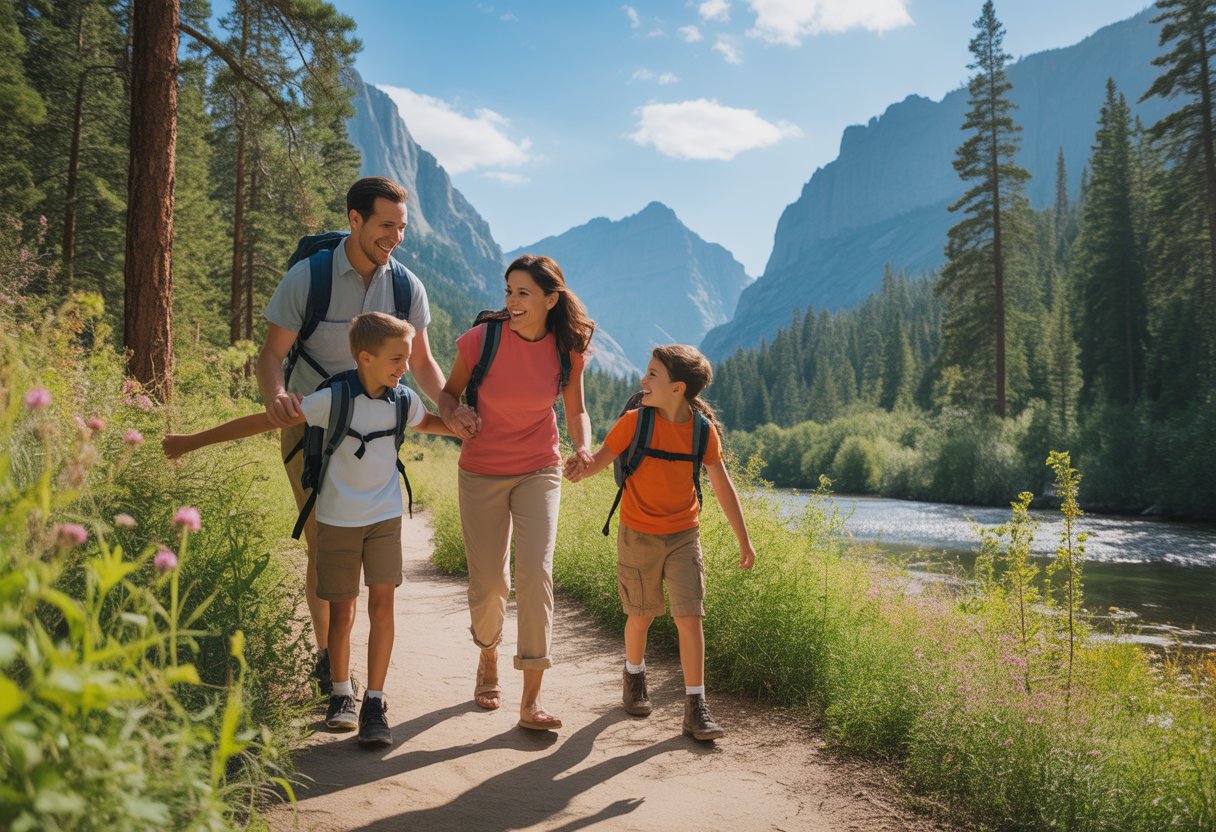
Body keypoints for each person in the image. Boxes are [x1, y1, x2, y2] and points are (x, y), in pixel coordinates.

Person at [256, 176, 446, 695]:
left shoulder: (406, 286)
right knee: (323, 536)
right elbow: (272, 355)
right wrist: (277, 397)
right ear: (355, 219)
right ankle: (327, 657)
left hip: (376, 429)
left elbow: (424, 364)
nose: (396, 237)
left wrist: (453, 408)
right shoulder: (310, 278)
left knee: (369, 536)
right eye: (387, 225)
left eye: (403, 227)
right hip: (310, 425)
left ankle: (344, 663)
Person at [565, 344, 757, 741]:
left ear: (678, 388)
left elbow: (723, 487)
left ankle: (696, 707)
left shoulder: (703, 433)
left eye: (653, 374)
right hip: (638, 533)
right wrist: (580, 466)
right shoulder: (634, 423)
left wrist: (745, 540)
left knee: (690, 617)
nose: (643, 381)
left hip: (685, 534)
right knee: (642, 615)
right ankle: (634, 676)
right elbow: (599, 461)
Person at [437, 254, 594, 732]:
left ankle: (531, 698)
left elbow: (576, 412)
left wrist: (584, 446)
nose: (511, 301)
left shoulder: (567, 351)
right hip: (482, 469)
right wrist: (455, 415)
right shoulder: (480, 340)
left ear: (551, 299)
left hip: (538, 468)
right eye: (508, 291)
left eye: (522, 293)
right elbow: (448, 396)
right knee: (489, 585)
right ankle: (488, 652)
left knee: (535, 573)